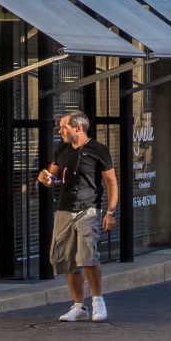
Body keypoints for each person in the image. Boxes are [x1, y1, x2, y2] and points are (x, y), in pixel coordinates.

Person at [39, 111, 119, 320]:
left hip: (89, 209)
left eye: (63, 127)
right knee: (66, 258)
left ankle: (98, 301)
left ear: (78, 128)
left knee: (89, 255)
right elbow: (53, 177)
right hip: (64, 209)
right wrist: (46, 179)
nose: (59, 131)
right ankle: (79, 307)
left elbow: (111, 182)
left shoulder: (98, 150)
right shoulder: (61, 148)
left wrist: (110, 212)